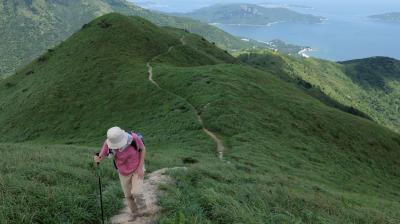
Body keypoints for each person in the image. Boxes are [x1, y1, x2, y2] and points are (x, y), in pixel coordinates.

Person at [94, 127, 146, 213]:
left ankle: (145, 210)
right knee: (128, 196)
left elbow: (143, 149)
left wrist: (140, 167)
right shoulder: (109, 143)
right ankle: (135, 214)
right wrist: (97, 159)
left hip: (137, 168)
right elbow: (101, 156)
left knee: (137, 193)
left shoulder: (134, 138)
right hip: (123, 172)